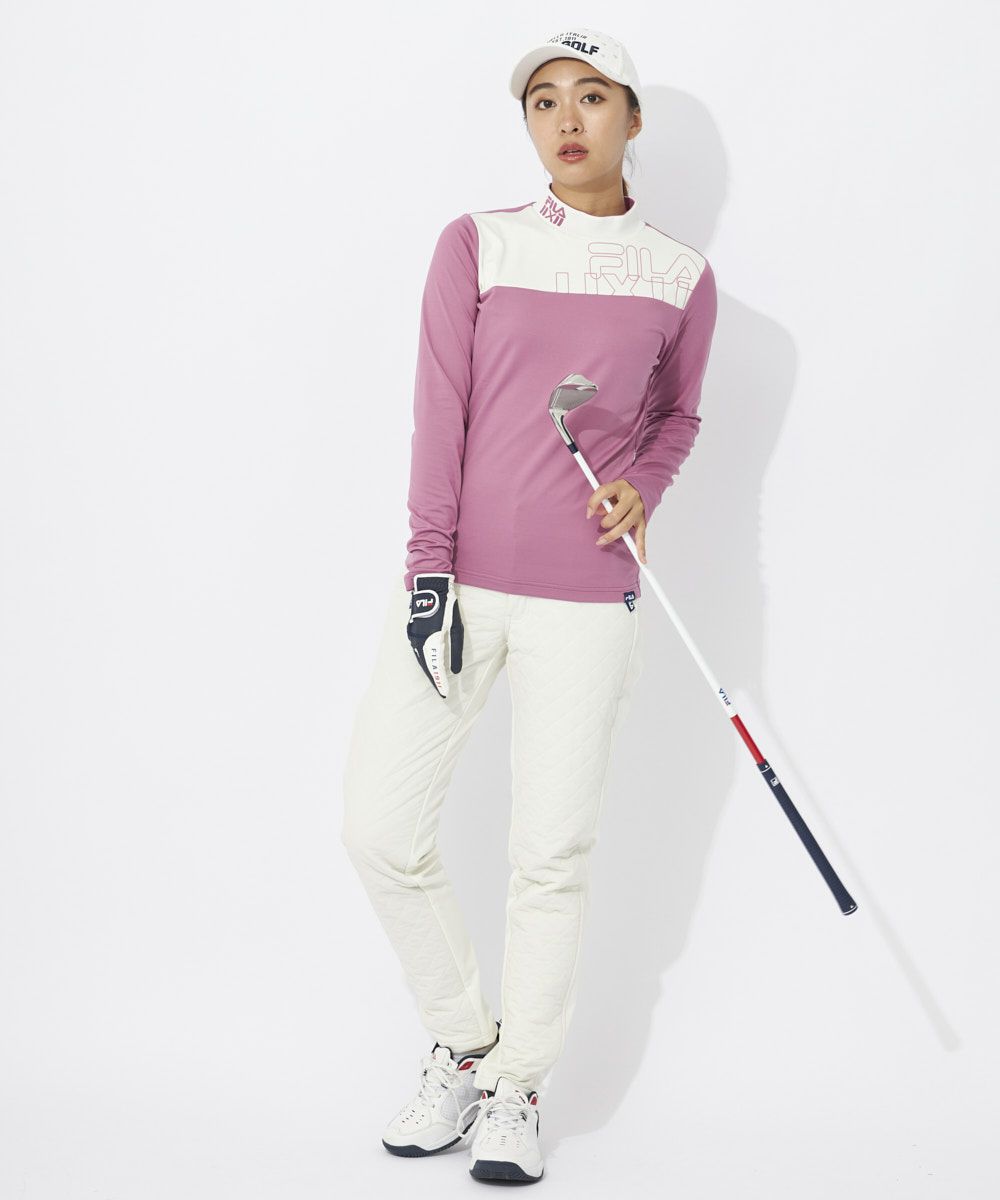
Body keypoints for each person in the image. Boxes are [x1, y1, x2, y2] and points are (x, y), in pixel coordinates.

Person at [341, 27, 718, 1185]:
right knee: (379, 829)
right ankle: (464, 1041)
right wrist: (428, 571)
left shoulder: (679, 278)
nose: (565, 119)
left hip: (587, 602)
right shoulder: (479, 243)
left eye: (591, 97)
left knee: (549, 855)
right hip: (458, 587)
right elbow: (439, 411)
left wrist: (641, 485)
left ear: (631, 120)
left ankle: (516, 1088)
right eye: (543, 100)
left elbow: (676, 418)